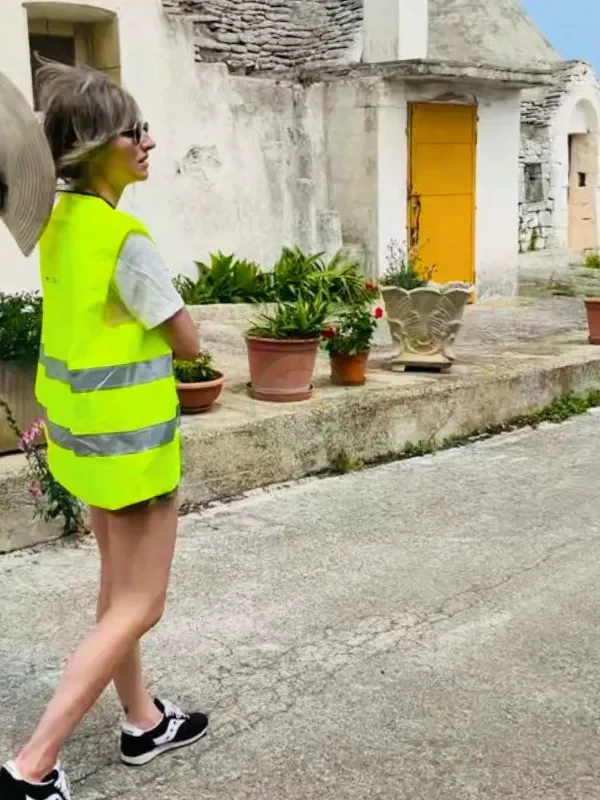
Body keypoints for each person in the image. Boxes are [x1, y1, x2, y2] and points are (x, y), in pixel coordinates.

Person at [0, 60, 208, 800]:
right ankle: (32, 763)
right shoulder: (126, 239)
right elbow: (187, 343)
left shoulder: (55, 226)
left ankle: (143, 721)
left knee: (116, 592)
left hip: (81, 441)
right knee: (141, 603)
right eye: (134, 131)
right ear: (96, 147)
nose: (148, 141)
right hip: (136, 450)